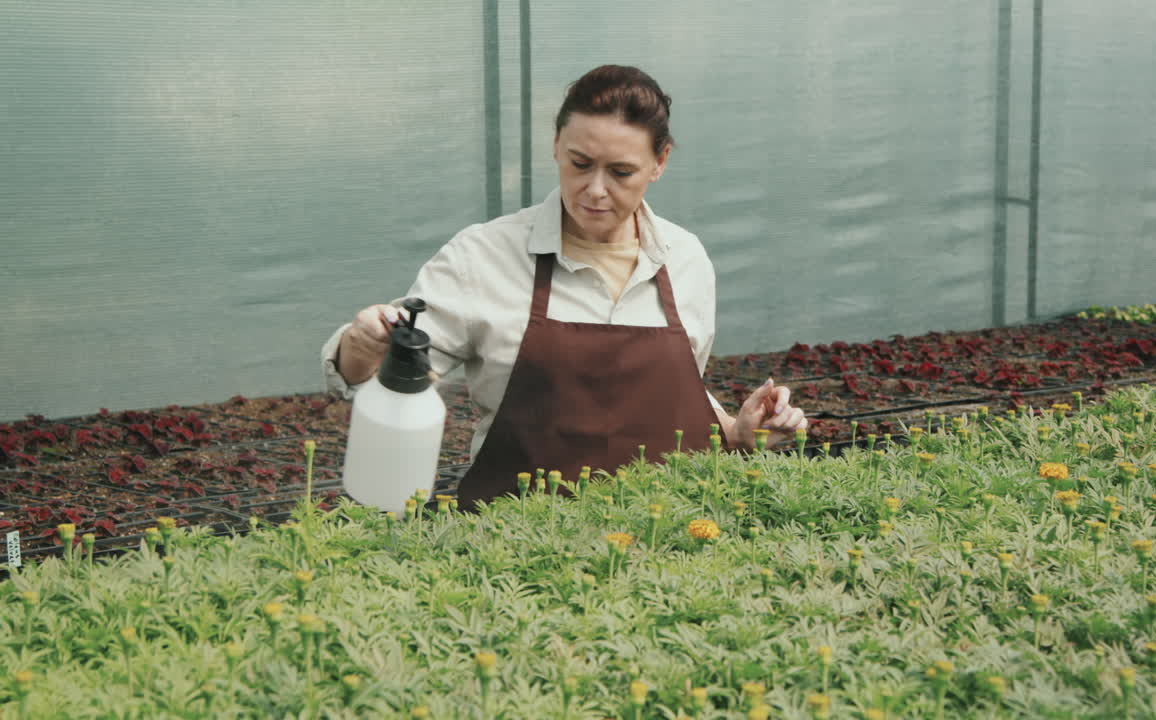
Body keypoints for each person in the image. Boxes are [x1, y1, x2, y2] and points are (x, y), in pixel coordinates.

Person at [321, 64, 807, 508]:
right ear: (556, 145)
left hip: (671, 538)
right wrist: (360, 345)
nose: (595, 189)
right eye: (579, 163)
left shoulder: (685, 260)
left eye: (620, 172)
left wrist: (737, 432)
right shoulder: (482, 257)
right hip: (522, 553)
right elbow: (388, 380)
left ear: (659, 163)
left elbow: (669, 400)